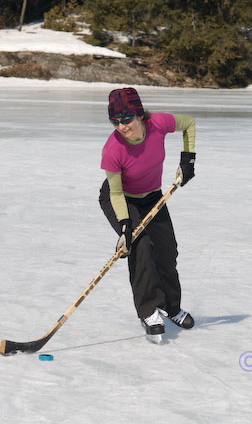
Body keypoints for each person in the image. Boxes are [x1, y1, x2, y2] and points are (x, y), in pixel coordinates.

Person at [99, 87, 196, 343]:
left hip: (152, 196)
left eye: (127, 119)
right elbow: (116, 195)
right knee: (140, 247)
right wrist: (124, 228)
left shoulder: (159, 124)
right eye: (115, 121)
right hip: (120, 198)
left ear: (139, 114)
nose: (121, 126)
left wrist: (188, 160)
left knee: (167, 250)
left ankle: (170, 308)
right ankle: (148, 311)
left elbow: (189, 124)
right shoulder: (113, 149)